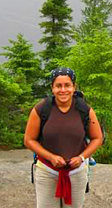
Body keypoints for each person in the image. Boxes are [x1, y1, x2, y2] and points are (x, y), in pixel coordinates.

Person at [24, 67, 103, 208]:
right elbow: (29, 140)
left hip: (76, 173)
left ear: (74, 87)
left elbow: (97, 138)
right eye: (58, 86)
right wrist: (51, 157)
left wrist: (81, 158)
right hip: (46, 171)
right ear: (52, 88)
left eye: (67, 85)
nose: (63, 90)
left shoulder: (84, 110)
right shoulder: (41, 109)